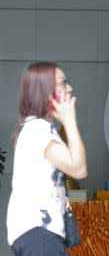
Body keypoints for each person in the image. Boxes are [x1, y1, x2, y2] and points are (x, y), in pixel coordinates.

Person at [7, 62, 87, 256]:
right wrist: (69, 120)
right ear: (43, 91)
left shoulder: (36, 127)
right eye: (62, 83)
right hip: (40, 230)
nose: (69, 88)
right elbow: (78, 169)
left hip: (36, 232)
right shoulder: (38, 129)